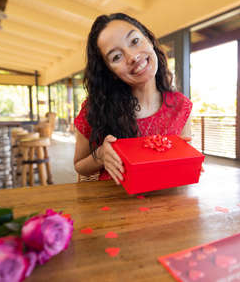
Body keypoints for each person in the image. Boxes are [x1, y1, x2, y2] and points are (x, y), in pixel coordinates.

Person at [74, 13, 192, 184]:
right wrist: (100, 155)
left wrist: (187, 161)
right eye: (116, 56)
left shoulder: (181, 106)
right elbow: (79, 165)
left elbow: (182, 163)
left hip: (167, 203)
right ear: (110, 72)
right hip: (113, 203)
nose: (132, 57)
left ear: (149, 40)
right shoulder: (95, 108)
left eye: (135, 41)